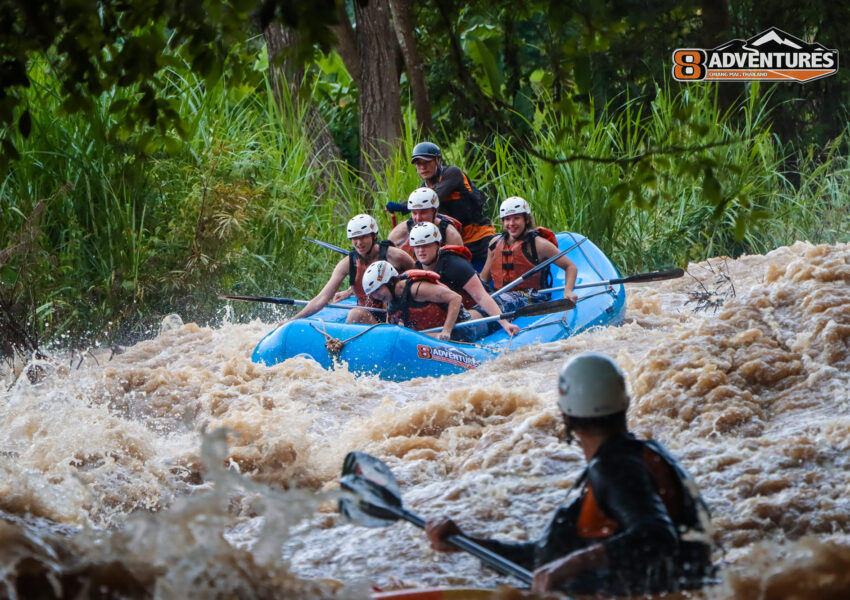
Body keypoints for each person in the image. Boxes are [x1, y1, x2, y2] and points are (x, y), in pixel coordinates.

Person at [425, 353, 715, 596]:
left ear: (565, 415)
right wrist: (468, 544)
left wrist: (571, 566)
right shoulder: (646, 454)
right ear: (625, 404)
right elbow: (543, 557)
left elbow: (657, 536)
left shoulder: (615, 468)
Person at [282, 215, 414, 325]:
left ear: (374, 236)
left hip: (397, 315)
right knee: (356, 314)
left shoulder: (395, 256)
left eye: (363, 237)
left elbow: (417, 278)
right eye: (355, 238)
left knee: (356, 313)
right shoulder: (347, 264)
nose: (359, 243)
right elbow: (322, 298)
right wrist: (293, 320)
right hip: (369, 316)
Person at [408, 222, 519, 339]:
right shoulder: (416, 271)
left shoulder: (455, 264)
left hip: (486, 306)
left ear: (437, 244)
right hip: (457, 313)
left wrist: (505, 323)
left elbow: (481, 296)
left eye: (426, 246)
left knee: (462, 327)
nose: (421, 251)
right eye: (417, 246)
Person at [480, 197, 578, 311]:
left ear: (526, 219)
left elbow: (570, 266)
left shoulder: (539, 244)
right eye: (507, 219)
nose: (511, 223)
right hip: (501, 295)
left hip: (533, 296)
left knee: (495, 304)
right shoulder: (494, 244)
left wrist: (568, 290)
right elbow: (484, 279)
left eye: (516, 218)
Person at [410, 141, 496, 269]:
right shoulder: (423, 189)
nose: (423, 167)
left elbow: (432, 198)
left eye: (427, 162)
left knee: (484, 282)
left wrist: (401, 206)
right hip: (453, 242)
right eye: (419, 163)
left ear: (438, 161)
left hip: (479, 239)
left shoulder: (452, 173)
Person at [362, 260, 477, 342]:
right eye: (373, 293)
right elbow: (390, 326)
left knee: (408, 336)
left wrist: (446, 331)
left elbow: (455, 298)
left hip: (460, 330)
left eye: (377, 290)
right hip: (431, 335)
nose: (376, 296)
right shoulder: (391, 299)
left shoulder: (416, 289)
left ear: (390, 282)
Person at [387, 188, 464, 257]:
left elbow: (460, 266)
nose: (418, 218)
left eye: (423, 212)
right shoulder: (401, 230)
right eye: (414, 213)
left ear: (435, 211)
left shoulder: (450, 234)